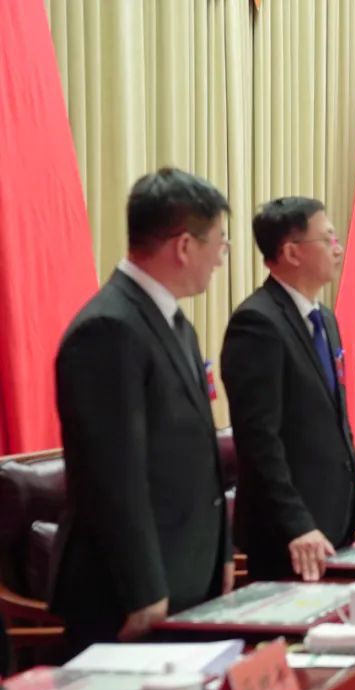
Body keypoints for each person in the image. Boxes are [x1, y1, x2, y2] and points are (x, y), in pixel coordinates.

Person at [50, 168, 232, 649]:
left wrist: (221, 554)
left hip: (186, 573)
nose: (221, 258)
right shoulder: (108, 328)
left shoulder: (175, 322)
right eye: (219, 243)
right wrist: (144, 588)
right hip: (130, 593)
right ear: (184, 246)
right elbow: (112, 475)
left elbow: (198, 453)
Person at [222, 197, 355, 582]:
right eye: (327, 239)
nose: (338, 249)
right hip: (288, 533)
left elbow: (338, 422)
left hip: (335, 518)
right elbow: (259, 438)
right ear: (292, 252)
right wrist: (296, 524)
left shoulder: (324, 319)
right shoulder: (257, 323)